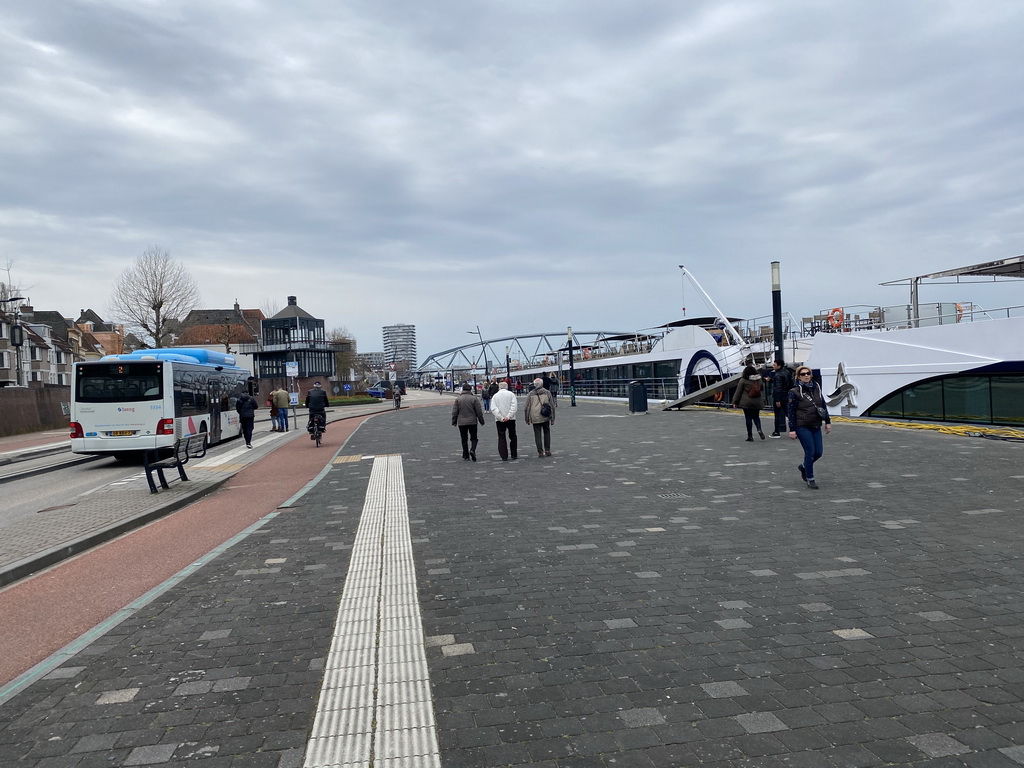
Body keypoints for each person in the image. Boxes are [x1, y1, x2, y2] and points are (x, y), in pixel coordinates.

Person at [787, 366, 833, 489]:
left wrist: (827, 422)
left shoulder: (816, 387)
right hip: (802, 425)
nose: (806, 376)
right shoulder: (794, 391)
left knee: (819, 452)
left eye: (808, 373)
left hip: (815, 424)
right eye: (803, 374)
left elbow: (822, 405)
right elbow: (791, 411)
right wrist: (792, 429)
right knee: (810, 452)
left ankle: (803, 466)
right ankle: (810, 478)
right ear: (798, 376)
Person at [732, 365, 766, 441]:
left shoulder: (743, 380)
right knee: (756, 417)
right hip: (757, 401)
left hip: (746, 402)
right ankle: (759, 429)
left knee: (748, 418)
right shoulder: (759, 380)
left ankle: (750, 436)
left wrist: (735, 402)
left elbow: (738, 392)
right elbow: (761, 389)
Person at [452, 383, 485, 461]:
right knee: (474, 438)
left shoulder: (458, 399)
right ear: (470, 389)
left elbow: (454, 412)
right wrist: (481, 420)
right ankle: (472, 450)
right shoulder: (474, 399)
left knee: (464, 439)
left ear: (463, 389)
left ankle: (466, 455)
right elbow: (479, 411)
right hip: (472, 421)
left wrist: (454, 421)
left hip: (462, 422)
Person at [525, 377, 556, 457]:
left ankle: (540, 452)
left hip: (535, 416)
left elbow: (526, 407)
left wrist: (527, 419)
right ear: (542, 384)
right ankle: (547, 450)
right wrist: (553, 418)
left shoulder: (531, 394)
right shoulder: (547, 392)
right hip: (545, 415)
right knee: (547, 432)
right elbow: (552, 405)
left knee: (537, 434)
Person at [490, 381, 518, 461]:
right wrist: (509, 416)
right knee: (513, 436)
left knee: (501, 437)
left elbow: (493, 408)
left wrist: (501, 417)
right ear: (507, 387)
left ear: (499, 387)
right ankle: (514, 454)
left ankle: (504, 455)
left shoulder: (495, 396)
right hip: (511, 419)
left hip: (499, 420)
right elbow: (514, 406)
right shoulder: (511, 394)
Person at [768, 360, 792, 438]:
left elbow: (778, 388)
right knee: (789, 414)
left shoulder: (777, 375)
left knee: (777, 415)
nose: (773, 366)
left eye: (774, 365)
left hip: (779, 397)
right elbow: (790, 384)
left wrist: (777, 400)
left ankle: (776, 432)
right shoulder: (787, 372)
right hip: (786, 395)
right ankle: (794, 429)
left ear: (779, 366)